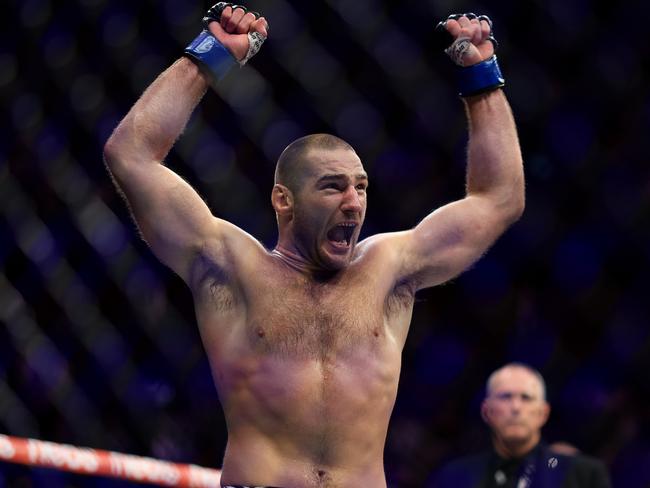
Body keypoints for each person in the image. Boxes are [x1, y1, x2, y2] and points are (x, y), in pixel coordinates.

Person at [103, 3, 524, 487]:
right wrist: (211, 55)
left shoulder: (390, 268)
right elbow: (131, 154)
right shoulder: (231, 266)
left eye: (361, 187)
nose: (353, 202)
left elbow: (498, 199)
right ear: (283, 200)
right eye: (332, 186)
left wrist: (481, 75)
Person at [432, 363, 611, 488]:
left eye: (526, 398)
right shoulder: (454, 478)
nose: (516, 407)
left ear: (543, 413)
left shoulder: (582, 474)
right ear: (487, 411)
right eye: (505, 397)